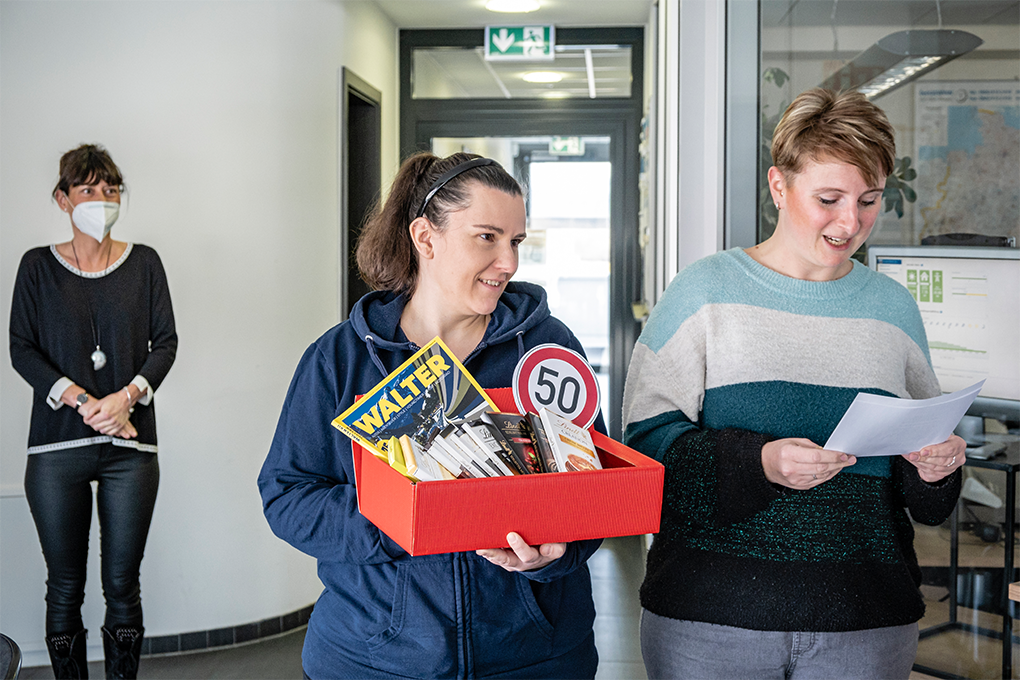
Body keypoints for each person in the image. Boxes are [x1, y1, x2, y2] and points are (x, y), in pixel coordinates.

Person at [622, 88, 965, 680]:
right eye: (828, 198)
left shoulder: (894, 309)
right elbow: (643, 452)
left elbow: (924, 491)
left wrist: (936, 465)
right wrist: (759, 464)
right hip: (712, 622)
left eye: (868, 200)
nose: (850, 222)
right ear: (779, 186)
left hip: (867, 623)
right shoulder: (702, 293)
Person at [258, 152, 605, 679]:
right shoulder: (340, 360)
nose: (508, 263)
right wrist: (405, 523)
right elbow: (288, 494)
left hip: (533, 658)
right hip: (375, 659)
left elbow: (592, 489)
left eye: (515, 242)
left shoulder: (547, 352)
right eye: (487, 237)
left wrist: (555, 555)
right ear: (426, 238)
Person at [9, 144, 177, 679]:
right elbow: (21, 348)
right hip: (56, 449)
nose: (101, 200)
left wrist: (127, 397)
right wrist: (86, 402)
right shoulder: (36, 267)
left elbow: (165, 344)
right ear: (62, 199)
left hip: (131, 448)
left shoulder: (145, 262)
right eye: (88, 190)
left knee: (123, 584)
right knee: (64, 586)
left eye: (111, 190)